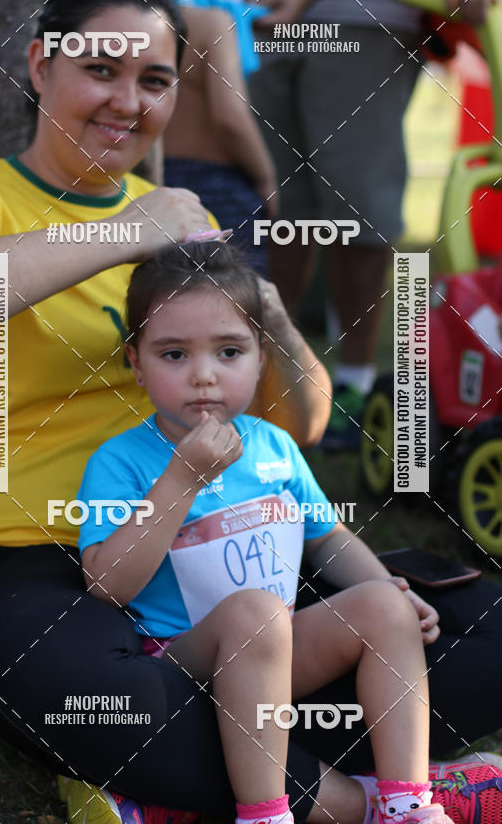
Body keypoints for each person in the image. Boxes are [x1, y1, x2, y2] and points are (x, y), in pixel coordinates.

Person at [0, 0, 498, 824]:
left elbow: (298, 422)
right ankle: (367, 797)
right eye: (100, 70)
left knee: (473, 630)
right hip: (49, 568)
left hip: (230, 562)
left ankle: (211, 772)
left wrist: (264, 309)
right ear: (40, 62)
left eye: (155, 79)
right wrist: (121, 230)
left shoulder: (192, 232)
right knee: (110, 709)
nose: (127, 102)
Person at [77, 239, 455, 824]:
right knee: (255, 612)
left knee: (382, 604)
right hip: (178, 665)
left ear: (260, 356)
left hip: (275, 656)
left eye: (229, 351)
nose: (204, 376)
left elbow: (325, 537)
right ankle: (265, 814)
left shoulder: (273, 444)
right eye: (173, 355)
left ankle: (405, 804)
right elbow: (108, 584)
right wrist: (180, 478)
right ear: (136, 361)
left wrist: (394, 592)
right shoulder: (121, 461)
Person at [246, 0, 502, 449]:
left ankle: (354, 385)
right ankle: (266, 377)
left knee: (356, 205)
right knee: (276, 204)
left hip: (363, 4)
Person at [155, 0, 278, 274]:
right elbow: (230, 117)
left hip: (150, 176)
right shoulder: (214, 22)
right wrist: (266, 178)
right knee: (238, 294)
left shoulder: (135, 13)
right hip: (215, 183)